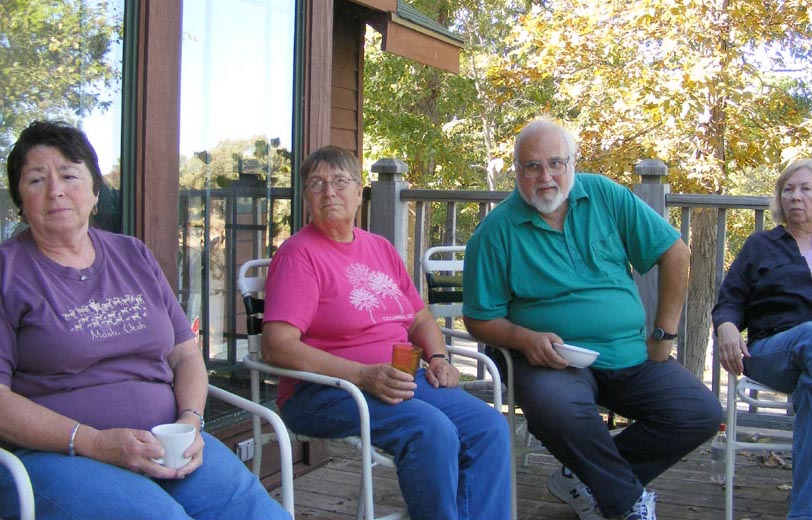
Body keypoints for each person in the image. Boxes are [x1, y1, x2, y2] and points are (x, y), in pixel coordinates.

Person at [0, 121, 291, 520]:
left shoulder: (132, 254)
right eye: (36, 179)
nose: (56, 191)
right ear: (20, 198)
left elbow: (186, 356)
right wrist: (94, 442)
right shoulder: (7, 272)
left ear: (95, 192)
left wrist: (190, 420)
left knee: (259, 513)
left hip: (167, 439)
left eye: (69, 175)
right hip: (59, 455)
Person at [462, 117, 722, 520]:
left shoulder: (604, 195)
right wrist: (526, 339)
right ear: (516, 171)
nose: (545, 176)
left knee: (700, 413)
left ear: (573, 163)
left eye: (555, 163)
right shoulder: (495, 233)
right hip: (549, 360)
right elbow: (479, 320)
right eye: (531, 166)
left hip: (628, 353)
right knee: (558, 407)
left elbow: (675, 253)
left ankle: (581, 478)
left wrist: (663, 334)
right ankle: (628, 505)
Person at [261, 145, 511, 520]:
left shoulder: (379, 248)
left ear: (359, 191)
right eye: (317, 184)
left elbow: (420, 319)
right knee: (431, 430)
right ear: (306, 197)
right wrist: (362, 375)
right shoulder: (299, 256)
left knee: (489, 427)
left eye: (340, 181)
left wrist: (439, 357)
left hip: (400, 380)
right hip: (324, 391)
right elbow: (277, 347)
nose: (329, 192)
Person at [713, 158, 812, 520]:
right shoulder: (760, 246)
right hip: (775, 348)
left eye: (806, 188)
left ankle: (810, 514)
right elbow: (729, 301)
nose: (796, 196)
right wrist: (727, 327)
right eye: (789, 189)